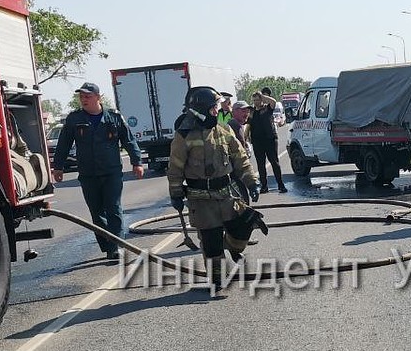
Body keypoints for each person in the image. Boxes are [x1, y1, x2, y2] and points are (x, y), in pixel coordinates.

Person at [167, 88, 262, 290]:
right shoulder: (184, 136)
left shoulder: (224, 130)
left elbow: (240, 159)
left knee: (244, 226)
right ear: (201, 110)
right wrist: (175, 193)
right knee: (211, 243)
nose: (216, 111)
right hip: (201, 200)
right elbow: (175, 167)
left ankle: (232, 246)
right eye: (213, 108)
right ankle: (218, 279)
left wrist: (251, 181)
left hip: (227, 194)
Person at [52, 81, 144, 262]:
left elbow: (129, 141)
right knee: (96, 212)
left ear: (98, 97)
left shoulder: (114, 117)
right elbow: (63, 144)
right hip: (88, 174)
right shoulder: (74, 119)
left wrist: (137, 162)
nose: (84, 100)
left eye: (87, 96)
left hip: (111, 172)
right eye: (81, 97)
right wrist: (58, 166)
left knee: (114, 208)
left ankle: (116, 247)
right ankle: (107, 245)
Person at [249, 87, 287, 193]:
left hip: (270, 139)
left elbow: (273, 101)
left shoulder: (267, 108)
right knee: (261, 164)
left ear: (262, 99)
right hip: (257, 141)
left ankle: (281, 185)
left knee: (274, 162)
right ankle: (264, 186)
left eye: (258, 99)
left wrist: (262, 96)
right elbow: (248, 125)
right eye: (254, 100)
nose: (256, 102)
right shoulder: (251, 112)